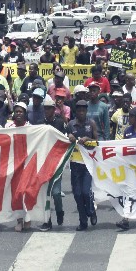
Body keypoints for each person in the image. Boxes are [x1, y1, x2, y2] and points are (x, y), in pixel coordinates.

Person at [66, 100, 97, 231]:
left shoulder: (91, 124)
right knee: (77, 194)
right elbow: (65, 139)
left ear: (86, 111)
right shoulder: (70, 124)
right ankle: (82, 221)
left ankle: (91, 210)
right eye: (79, 110)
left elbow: (97, 141)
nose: (81, 112)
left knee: (85, 191)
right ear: (76, 112)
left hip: (88, 163)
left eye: (83, 110)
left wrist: (87, 139)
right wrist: (69, 137)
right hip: (75, 165)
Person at [40, 96, 67, 231]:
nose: (47, 111)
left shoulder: (60, 123)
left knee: (56, 192)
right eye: (45, 108)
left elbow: (65, 140)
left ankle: (60, 211)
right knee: (45, 194)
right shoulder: (40, 124)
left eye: (49, 108)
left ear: (53, 109)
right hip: (43, 162)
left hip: (57, 161)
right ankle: (47, 221)